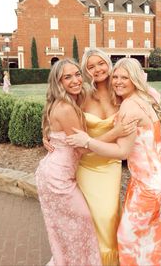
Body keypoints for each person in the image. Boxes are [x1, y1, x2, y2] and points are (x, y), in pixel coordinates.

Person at [67, 57, 161, 266]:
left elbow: (122, 151)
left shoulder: (129, 106)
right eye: (115, 76)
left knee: (127, 238)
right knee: (158, 234)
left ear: (134, 79)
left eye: (124, 77)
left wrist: (88, 141)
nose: (117, 81)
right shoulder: (146, 99)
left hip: (149, 184)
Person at [43, 49, 137, 266]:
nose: (98, 69)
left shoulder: (121, 93)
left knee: (108, 216)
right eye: (91, 66)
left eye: (101, 63)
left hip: (110, 164)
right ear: (85, 70)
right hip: (86, 164)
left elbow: (146, 96)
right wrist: (47, 134)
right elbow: (55, 110)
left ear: (108, 63)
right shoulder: (82, 95)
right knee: (92, 217)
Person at [35, 58, 102, 266]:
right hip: (57, 179)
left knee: (65, 227)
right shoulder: (65, 108)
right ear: (59, 82)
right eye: (67, 77)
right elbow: (83, 147)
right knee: (82, 221)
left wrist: (46, 135)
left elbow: (47, 126)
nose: (75, 80)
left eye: (77, 74)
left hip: (53, 172)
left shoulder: (64, 102)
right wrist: (116, 133)